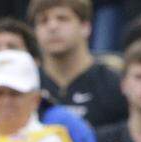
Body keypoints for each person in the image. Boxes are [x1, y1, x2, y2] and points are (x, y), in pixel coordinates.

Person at [30, 0, 127, 128]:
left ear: (85, 27)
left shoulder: (114, 84)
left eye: (62, 18)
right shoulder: (26, 85)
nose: (52, 26)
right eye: (43, 21)